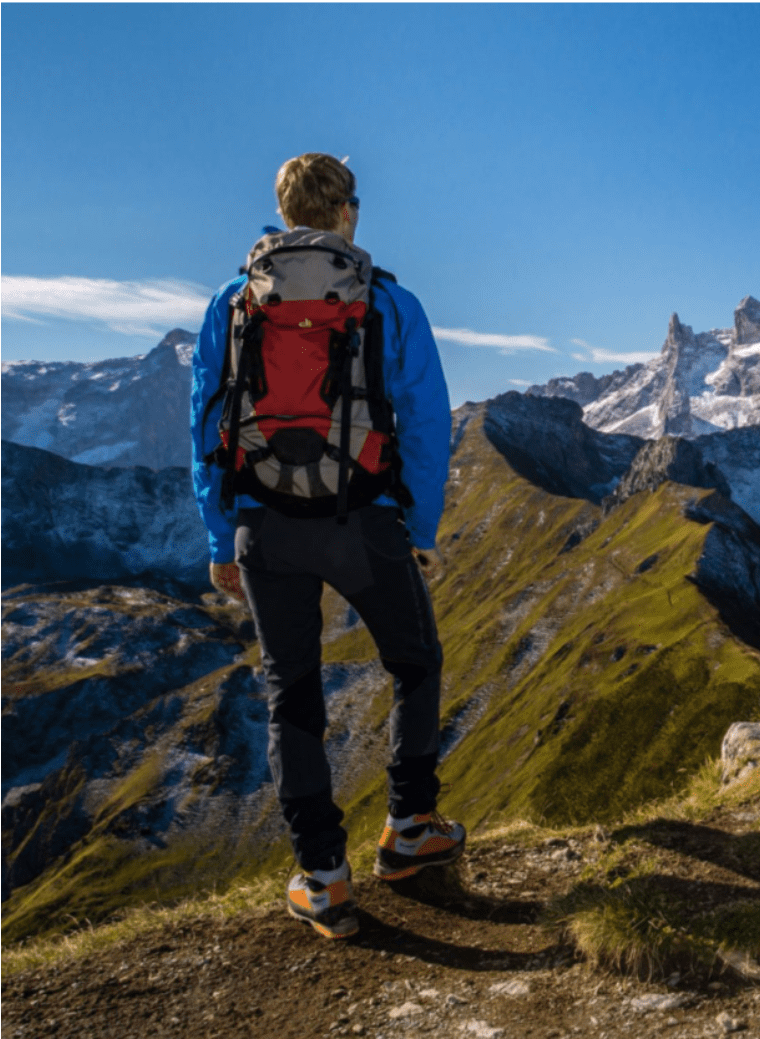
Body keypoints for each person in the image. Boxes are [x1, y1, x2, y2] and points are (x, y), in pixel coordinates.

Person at [191, 153, 463, 939]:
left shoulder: (233, 302)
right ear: (348, 212)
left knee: (291, 691)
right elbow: (427, 422)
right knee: (415, 663)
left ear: (281, 211)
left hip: (263, 525)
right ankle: (409, 828)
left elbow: (206, 420)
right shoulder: (388, 300)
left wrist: (220, 533)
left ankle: (322, 877)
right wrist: (418, 530)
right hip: (362, 519)